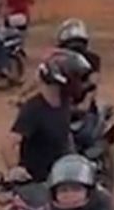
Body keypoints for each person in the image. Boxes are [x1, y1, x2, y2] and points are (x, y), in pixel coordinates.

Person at [5, 51, 92, 184]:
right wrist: (15, 169)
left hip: (60, 177)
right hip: (38, 183)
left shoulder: (64, 101)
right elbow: (9, 144)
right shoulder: (33, 109)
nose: (79, 83)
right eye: (75, 77)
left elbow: (65, 134)